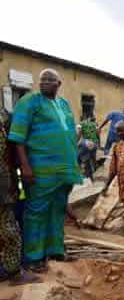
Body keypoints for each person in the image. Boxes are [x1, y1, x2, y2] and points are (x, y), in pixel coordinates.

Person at [9, 69, 83, 271]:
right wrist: (25, 166)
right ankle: (33, 257)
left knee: (58, 210)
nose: (45, 83)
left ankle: (55, 250)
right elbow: (18, 137)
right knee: (36, 211)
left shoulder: (64, 104)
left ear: (59, 83)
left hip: (64, 170)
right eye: (42, 79)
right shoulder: (29, 102)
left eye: (50, 80)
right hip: (41, 168)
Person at [0, 109, 40, 284]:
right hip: (5, 190)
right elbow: (9, 159)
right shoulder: (8, 126)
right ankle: (14, 272)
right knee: (10, 231)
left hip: (10, 187)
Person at [78, 113, 99, 180]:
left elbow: (79, 133)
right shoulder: (94, 124)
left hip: (86, 143)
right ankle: (94, 169)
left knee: (81, 159)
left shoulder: (80, 124)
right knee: (92, 158)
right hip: (94, 143)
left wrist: (76, 142)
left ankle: (88, 176)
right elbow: (98, 133)